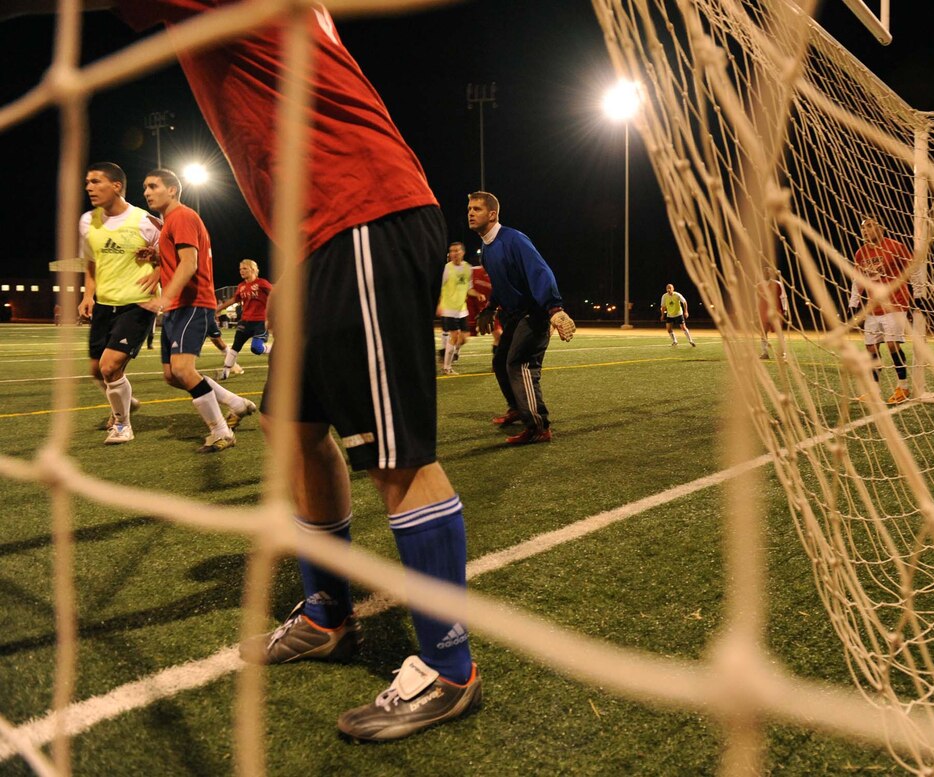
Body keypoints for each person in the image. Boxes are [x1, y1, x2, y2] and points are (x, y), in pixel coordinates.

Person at [77, 1, 482, 742]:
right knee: (290, 423)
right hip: (319, 233)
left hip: (359, 212)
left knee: (395, 454)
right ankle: (328, 612)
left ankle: (450, 668)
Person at [141, 168, 257, 451]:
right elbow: (177, 258)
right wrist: (156, 258)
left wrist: (164, 297)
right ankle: (236, 403)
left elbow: (190, 263)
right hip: (178, 306)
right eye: (145, 187)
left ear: (172, 190)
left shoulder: (181, 216)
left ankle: (221, 432)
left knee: (183, 369)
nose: (146, 192)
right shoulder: (170, 222)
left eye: (153, 186)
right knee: (172, 375)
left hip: (191, 303)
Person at [468, 191, 576, 445]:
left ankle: (539, 426)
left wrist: (554, 308)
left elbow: (539, 271)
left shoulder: (513, 239)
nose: (471, 213)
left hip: (536, 313)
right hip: (516, 314)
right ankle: (517, 409)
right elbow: (503, 282)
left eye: (477, 209)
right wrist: (490, 307)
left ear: (492, 214)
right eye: (469, 209)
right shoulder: (487, 246)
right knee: (500, 360)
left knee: (520, 364)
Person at [77, 162, 160, 444]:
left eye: (96, 181)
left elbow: (171, 257)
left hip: (137, 304)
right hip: (104, 304)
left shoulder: (145, 221)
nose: (89, 187)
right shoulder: (88, 221)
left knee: (110, 366)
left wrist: (159, 282)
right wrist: (88, 295)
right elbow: (90, 262)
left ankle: (122, 425)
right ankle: (124, 403)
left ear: (116, 186)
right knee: (96, 369)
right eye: (87, 182)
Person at [848, 216, 916, 405]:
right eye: (863, 228)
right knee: (870, 348)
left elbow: (912, 269)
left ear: (881, 229)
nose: (865, 230)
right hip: (873, 307)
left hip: (896, 303)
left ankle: (903, 387)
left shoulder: (895, 246)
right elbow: (858, 280)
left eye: (869, 226)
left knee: (892, 344)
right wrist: (853, 304)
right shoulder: (861, 253)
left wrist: (918, 295)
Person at [215, 258, 273, 380]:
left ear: (253, 269)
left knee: (256, 348)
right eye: (240, 269)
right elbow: (233, 300)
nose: (241, 271)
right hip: (245, 322)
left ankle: (275, 349)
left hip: (260, 322)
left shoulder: (262, 283)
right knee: (235, 346)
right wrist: (218, 309)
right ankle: (225, 373)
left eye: (244, 268)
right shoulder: (241, 286)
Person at [437, 242, 478, 375]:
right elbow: (439, 288)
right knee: (454, 337)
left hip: (462, 310)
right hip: (449, 309)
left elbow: (469, 288)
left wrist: (478, 294)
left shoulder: (468, 268)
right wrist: (439, 305)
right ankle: (446, 367)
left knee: (465, 337)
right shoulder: (446, 268)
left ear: (463, 252)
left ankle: (449, 352)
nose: (454, 253)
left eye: (456, 251)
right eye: (451, 251)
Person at [755, 265, 788, 360]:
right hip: (763, 311)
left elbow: (783, 297)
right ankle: (765, 353)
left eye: (769, 272)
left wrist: (785, 310)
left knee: (779, 333)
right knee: (763, 333)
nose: (767, 274)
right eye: (765, 272)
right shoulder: (758, 285)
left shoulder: (777, 284)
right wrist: (756, 312)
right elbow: (756, 299)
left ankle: (784, 353)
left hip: (776, 311)